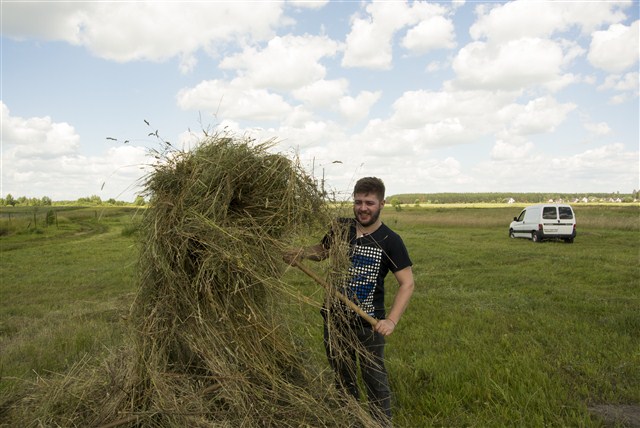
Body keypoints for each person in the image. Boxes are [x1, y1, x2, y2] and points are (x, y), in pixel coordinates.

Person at [285, 177, 414, 424]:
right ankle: (351, 420)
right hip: (334, 318)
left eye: (369, 203)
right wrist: (300, 254)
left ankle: (380, 423)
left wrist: (392, 321)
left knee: (374, 379)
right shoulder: (341, 227)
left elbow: (407, 283)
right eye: (358, 202)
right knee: (343, 378)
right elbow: (322, 252)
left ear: (382, 204)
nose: (363, 208)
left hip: (367, 323)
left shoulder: (390, 240)